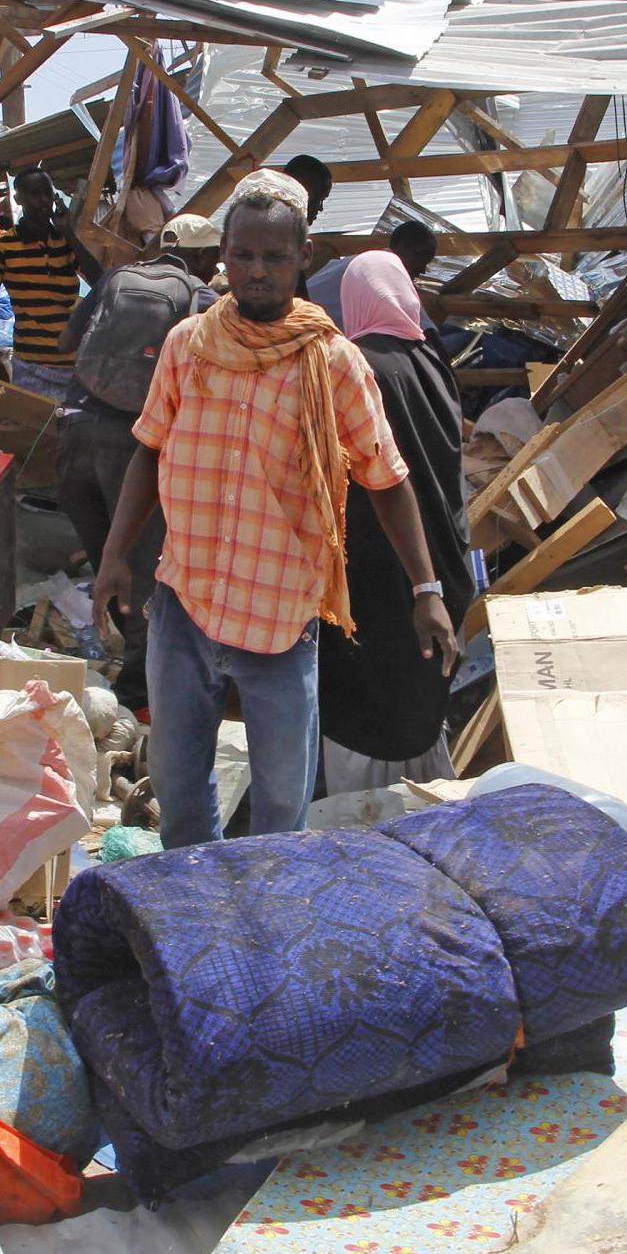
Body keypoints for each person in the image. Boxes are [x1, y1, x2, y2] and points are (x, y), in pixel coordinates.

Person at [92, 171, 456, 847]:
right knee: (178, 788)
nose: (256, 272)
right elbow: (149, 449)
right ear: (222, 255)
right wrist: (116, 554)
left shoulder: (333, 362)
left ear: (304, 259)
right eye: (243, 256)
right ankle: (191, 912)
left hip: (280, 618)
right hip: (185, 601)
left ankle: (267, 922)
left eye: (274, 257)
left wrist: (425, 587)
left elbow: (387, 479)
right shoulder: (188, 346)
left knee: (283, 804)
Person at [314, 251, 473, 792]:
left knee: (367, 702)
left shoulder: (360, 368)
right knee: (418, 695)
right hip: (442, 564)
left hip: (380, 564)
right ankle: (422, 801)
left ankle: (363, 820)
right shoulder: (434, 361)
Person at [53, 213, 219, 711]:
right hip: (133, 449)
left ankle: (124, 667)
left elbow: (66, 343)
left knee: (107, 556)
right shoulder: (201, 299)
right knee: (145, 574)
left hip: (74, 434)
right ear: (204, 256)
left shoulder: (115, 278)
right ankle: (137, 702)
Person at [0, 167, 95, 397]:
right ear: (18, 199)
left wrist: (70, 235)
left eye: (47, 193)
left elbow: (101, 282)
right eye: (34, 194)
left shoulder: (66, 243)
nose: (43, 201)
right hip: (31, 366)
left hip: (73, 364)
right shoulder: (1, 248)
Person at [308, 219, 436, 331]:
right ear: (404, 247)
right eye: (421, 258)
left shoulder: (351, 262)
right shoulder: (390, 271)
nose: (422, 270)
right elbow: (426, 330)